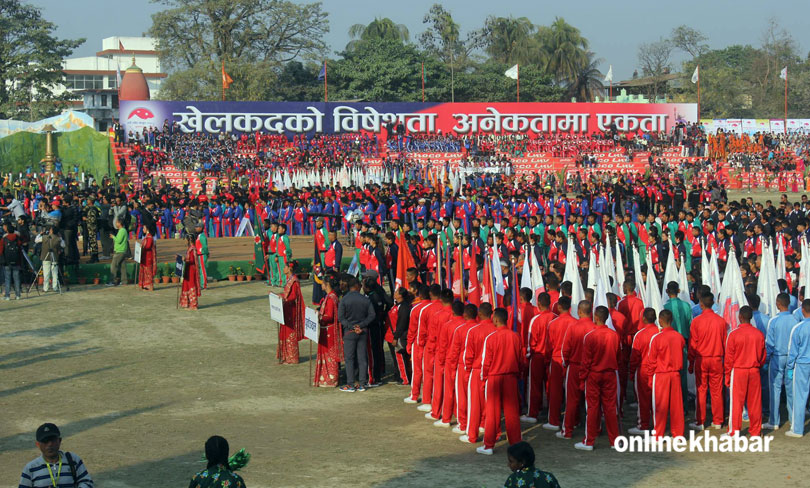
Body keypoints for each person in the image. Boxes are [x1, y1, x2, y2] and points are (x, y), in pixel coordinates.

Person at [478, 307, 525, 455]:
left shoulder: (491, 338)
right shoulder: (515, 336)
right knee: (512, 413)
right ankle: (515, 444)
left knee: (492, 413)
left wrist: (484, 377)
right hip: (510, 377)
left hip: (494, 377)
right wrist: (519, 375)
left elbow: (486, 362)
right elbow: (521, 359)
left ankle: (489, 445)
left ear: (496, 320)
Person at [576, 305, 620, 451]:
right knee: (610, 408)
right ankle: (614, 441)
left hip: (594, 375)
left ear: (595, 317)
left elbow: (586, 361)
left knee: (593, 408)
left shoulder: (590, 336)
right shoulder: (614, 335)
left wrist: (582, 379)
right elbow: (618, 356)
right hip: (610, 374)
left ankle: (589, 441)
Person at [724, 306, 766, 437]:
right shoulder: (759, 334)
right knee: (755, 402)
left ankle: (734, 431)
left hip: (739, 370)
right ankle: (755, 431)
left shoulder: (734, 334)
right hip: (754, 370)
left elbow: (729, 358)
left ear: (740, 317)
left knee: (736, 403)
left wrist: (727, 375)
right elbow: (763, 355)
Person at [646, 309, 687, 439]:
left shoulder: (657, 338)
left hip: (661, 374)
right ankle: (678, 434)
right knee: (677, 406)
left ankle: (658, 434)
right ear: (672, 320)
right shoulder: (679, 337)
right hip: (675, 374)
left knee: (660, 405)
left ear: (660, 321)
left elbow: (651, 360)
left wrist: (649, 377)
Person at [688, 292, 726, 430]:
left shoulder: (697, 321)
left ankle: (700, 421)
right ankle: (717, 420)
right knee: (717, 391)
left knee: (701, 390)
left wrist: (691, 363)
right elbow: (724, 343)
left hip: (702, 359)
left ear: (701, 304)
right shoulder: (721, 321)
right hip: (716, 359)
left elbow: (693, 344)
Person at [558, 300, 595, 440]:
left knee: (571, 400)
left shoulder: (573, 327)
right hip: (590, 368)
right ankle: (594, 429)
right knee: (591, 401)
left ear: (579, 311)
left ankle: (567, 430)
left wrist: (566, 363)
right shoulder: (594, 327)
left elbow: (565, 348)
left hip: (574, 366)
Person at [764, 293, 800, 430]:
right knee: (791, 389)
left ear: (778, 304)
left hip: (777, 359)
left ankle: (774, 421)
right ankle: (793, 419)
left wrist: (766, 362)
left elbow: (770, 345)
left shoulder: (773, 321)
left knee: (775, 388)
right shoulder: (796, 320)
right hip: (791, 360)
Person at [18, 422, 94, 487]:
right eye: (45, 441)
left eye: (53, 440)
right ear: (38, 444)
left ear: (59, 441)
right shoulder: (30, 468)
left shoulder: (73, 460)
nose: (50, 444)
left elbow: (87, 482)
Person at [338, 276, 376, 391]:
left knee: (349, 359)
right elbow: (372, 315)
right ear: (356, 286)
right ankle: (362, 383)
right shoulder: (365, 299)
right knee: (362, 358)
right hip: (363, 331)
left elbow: (341, 318)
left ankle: (350, 384)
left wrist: (352, 326)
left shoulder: (344, 300)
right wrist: (362, 325)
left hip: (349, 332)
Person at [544, 296, 575, 431]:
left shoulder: (553, 324)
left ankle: (554, 420)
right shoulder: (575, 323)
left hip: (556, 359)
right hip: (571, 360)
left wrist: (547, 360)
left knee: (555, 391)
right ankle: (573, 420)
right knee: (572, 392)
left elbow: (548, 346)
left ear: (559, 307)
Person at [523, 292, 554, 423]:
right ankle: (551, 412)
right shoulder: (555, 317)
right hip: (551, 356)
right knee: (550, 385)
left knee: (535, 386)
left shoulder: (535, 320)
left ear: (539, 304)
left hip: (537, 356)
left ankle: (533, 413)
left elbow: (531, 341)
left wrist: (529, 356)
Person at [628, 308, 659, 435]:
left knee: (643, 399)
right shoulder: (659, 332)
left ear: (644, 319)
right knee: (656, 398)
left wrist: (631, 371)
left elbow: (634, 356)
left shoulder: (640, 335)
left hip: (643, 369)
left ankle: (643, 425)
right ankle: (657, 424)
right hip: (657, 369)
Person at [663, 281, 693, 411]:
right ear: (679, 291)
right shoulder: (686, 306)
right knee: (682, 376)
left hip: (669, 344)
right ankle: (684, 406)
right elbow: (690, 324)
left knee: (670, 374)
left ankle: (672, 405)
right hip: (684, 343)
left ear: (666, 291)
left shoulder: (665, 307)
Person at [786, 300, 810, 437]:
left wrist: (789, 369)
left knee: (799, 397)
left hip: (802, 365)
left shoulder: (798, 328)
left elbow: (792, 351)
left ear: (802, 310)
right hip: (803, 363)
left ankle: (797, 429)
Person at [314, 277, 342, 387]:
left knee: (329, 354)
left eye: (323, 283)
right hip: (328, 329)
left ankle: (330, 378)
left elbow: (329, 316)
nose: (321, 285)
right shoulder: (332, 296)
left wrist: (319, 317)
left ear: (327, 285)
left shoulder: (331, 298)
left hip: (328, 330)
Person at [279, 262, 304, 364]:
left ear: (289, 269)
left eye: (285, 267)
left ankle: (292, 357)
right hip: (286, 308)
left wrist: (283, 297)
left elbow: (294, 296)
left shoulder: (294, 281)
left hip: (291, 309)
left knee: (290, 331)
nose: (283, 268)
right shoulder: (289, 279)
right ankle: (286, 355)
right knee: (285, 330)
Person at [35, 225, 63, 292]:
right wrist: (60, 237)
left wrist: (40, 234)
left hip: (45, 256)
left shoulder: (45, 237)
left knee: (46, 273)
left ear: (51, 231)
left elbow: (36, 240)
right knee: (54, 272)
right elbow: (63, 245)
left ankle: (45, 288)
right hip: (54, 257)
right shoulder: (58, 238)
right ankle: (55, 287)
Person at [1, 220, 23, 300]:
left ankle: (7, 295)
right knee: (16, 278)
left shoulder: (4, 239)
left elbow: (1, 250)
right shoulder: (17, 238)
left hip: (7, 261)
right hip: (16, 261)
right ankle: (18, 295)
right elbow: (20, 249)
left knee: (7, 278)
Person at [179, 234, 201, 310]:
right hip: (188, 269)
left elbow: (191, 260)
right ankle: (188, 303)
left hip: (191, 270)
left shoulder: (192, 249)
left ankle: (193, 304)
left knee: (191, 285)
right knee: (187, 285)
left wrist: (184, 259)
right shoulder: (190, 249)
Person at [107, 219, 129, 286]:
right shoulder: (123, 230)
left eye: (117, 222)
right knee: (123, 267)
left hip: (119, 251)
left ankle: (113, 281)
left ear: (119, 223)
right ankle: (124, 281)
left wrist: (113, 237)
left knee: (114, 266)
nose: (116, 224)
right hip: (123, 250)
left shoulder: (122, 230)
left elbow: (119, 240)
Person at [138, 225, 157, 291]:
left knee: (148, 272)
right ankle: (145, 285)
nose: (143, 229)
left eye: (144, 228)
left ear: (147, 229)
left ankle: (149, 286)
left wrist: (142, 246)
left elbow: (148, 246)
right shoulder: (146, 237)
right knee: (144, 271)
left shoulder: (149, 237)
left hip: (148, 257)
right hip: (144, 256)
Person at [195, 223, 209, 290]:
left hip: (202, 255)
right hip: (199, 255)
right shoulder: (199, 235)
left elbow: (205, 247)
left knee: (203, 270)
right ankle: (201, 284)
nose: (196, 228)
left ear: (201, 228)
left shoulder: (202, 236)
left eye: (197, 227)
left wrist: (202, 252)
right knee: (200, 270)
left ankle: (204, 285)